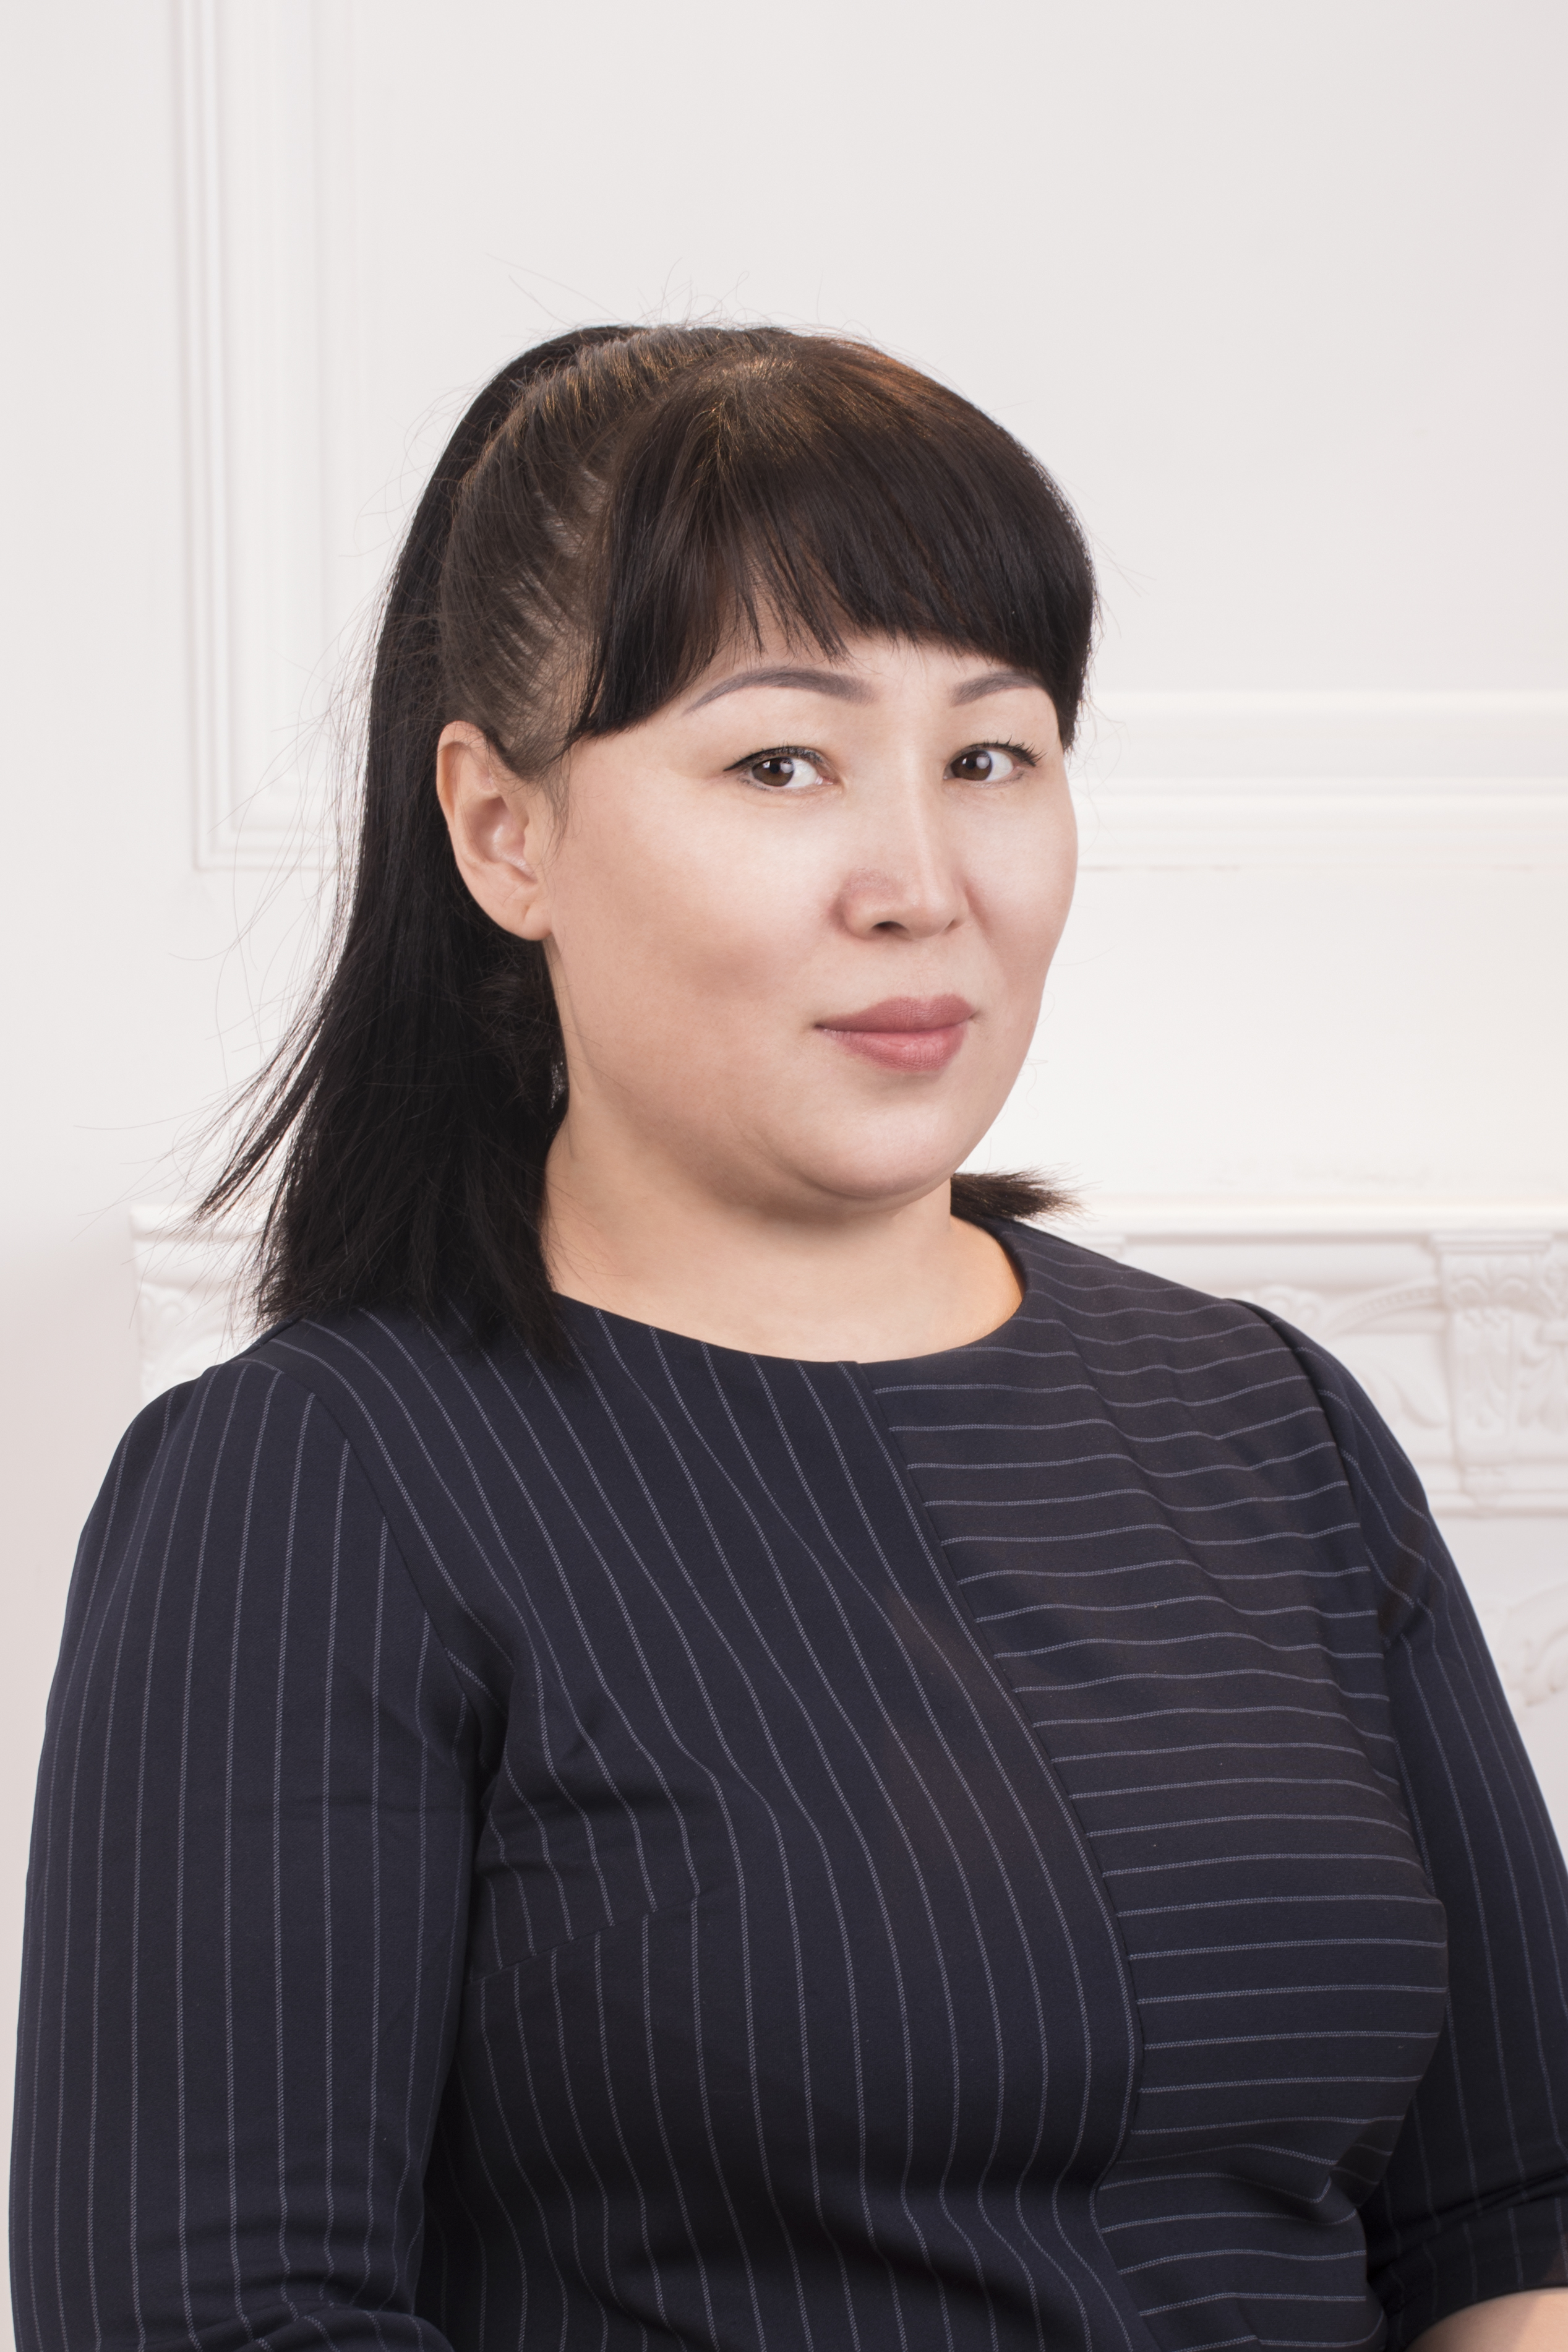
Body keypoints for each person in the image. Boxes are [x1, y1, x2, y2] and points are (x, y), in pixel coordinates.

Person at [11, 324, 1568, 2352]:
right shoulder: (316, 1488)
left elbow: (1513, 2220)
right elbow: (221, 2315)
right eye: (781, 763)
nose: (920, 884)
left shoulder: (1268, 1424)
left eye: (990, 756)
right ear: (502, 829)